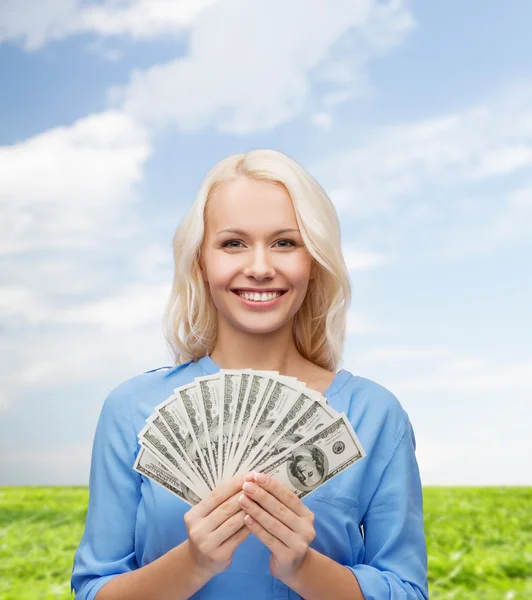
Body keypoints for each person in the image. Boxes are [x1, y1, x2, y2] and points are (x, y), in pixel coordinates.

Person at [71, 149, 429, 600]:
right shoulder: (131, 409)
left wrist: (303, 566)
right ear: (200, 261)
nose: (260, 268)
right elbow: (93, 590)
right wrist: (193, 563)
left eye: (285, 242)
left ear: (314, 261)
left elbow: (407, 591)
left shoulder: (375, 414)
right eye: (233, 243)